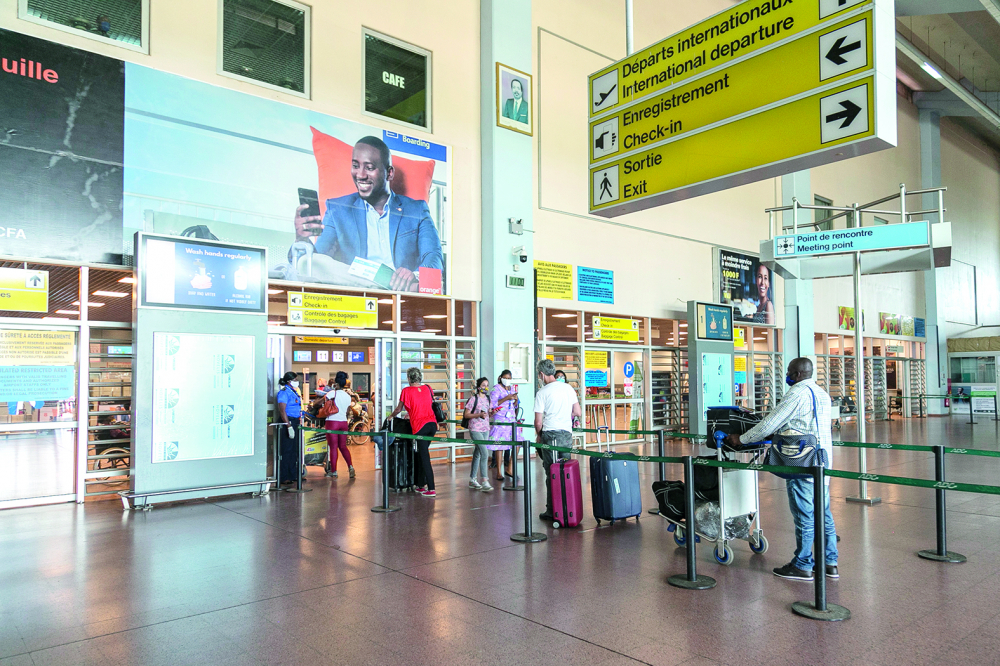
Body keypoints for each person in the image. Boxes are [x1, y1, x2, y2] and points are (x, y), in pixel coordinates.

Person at [724, 357, 837, 581]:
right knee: (823, 514)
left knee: (804, 515)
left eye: (788, 372)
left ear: (795, 374)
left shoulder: (796, 394)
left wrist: (743, 439)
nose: (787, 376)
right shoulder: (822, 393)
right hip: (823, 462)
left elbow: (770, 423)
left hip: (802, 463)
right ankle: (830, 563)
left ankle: (803, 564)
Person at [293, 136, 443, 292]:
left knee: (433, 280)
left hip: (401, 291)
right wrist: (302, 239)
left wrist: (413, 276)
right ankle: (379, 286)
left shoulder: (416, 210)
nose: (360, 175)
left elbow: (434, 258)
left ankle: (390, 286)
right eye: (355, 166)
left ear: (389, 173)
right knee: (307, 263)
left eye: (369, 167)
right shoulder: (337, 209)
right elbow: (317, 262)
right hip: (359, 289)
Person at [534, 359, 582, 522]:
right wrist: (564, 417)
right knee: (565, 471)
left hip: (550, 435)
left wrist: (539, 435)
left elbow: (538, 422)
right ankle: (567, 507)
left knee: (552, 472)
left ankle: (553, 510)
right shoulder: (568, 388)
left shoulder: (542, 393)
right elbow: (578, 411)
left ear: (541, 374)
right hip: (566, 434)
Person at [388, 367, 438, 497]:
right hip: (432, 425)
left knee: (425, 457)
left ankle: (431, 488)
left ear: (409, 378)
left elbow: (399, 409)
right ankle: (421, 484)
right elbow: (424, 405)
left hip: (420, 427)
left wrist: (391, 416)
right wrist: (411, 414)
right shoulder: (427, 388)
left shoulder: (406, 391)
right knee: (422, 454)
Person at [313, 371, 355, 479]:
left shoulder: (332, 393)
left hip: (332, 422)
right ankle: (350, 467)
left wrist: (323, 397)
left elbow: (316, 404)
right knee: (343, 446)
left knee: (333, 447)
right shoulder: (348, 396)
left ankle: (334, 471)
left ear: (336, 382)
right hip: (343, 422)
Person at [488, 370, 521, 481]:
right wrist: (507, 398)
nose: (507, 380)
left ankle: (510, 469)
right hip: (500, 419)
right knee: (500, 444)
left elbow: (515, 406)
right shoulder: (495, 389)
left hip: (511, 419)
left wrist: (515, 400)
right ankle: (498, 471)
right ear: (500, 377)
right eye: (505, 377)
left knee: (517, 443)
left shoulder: (511, 389)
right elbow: (493, 404)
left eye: (509, 378)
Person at [464, 377, 493, 492]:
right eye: (483, 385)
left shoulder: (488, 399)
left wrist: (491, 413)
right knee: (484, 453)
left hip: (485, 428)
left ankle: (472, 479)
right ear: (478, 387)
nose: (485, 387)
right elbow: (467, 415)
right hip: (475, 429)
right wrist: (478, 415)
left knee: (478, 453)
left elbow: (487, 414)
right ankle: (485, 480)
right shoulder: (473, 399)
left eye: (487, 385)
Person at [275, 371, 302, 486]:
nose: (297, 381)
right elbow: (282, 410)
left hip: (295, 421)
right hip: (287, 422)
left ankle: (293, 474)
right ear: (289, 381)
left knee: (294, 449)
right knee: (286, 450)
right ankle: (284, 476)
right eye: (295, 380)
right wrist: (288, 426)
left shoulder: (293, 392)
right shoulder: (283, 393)